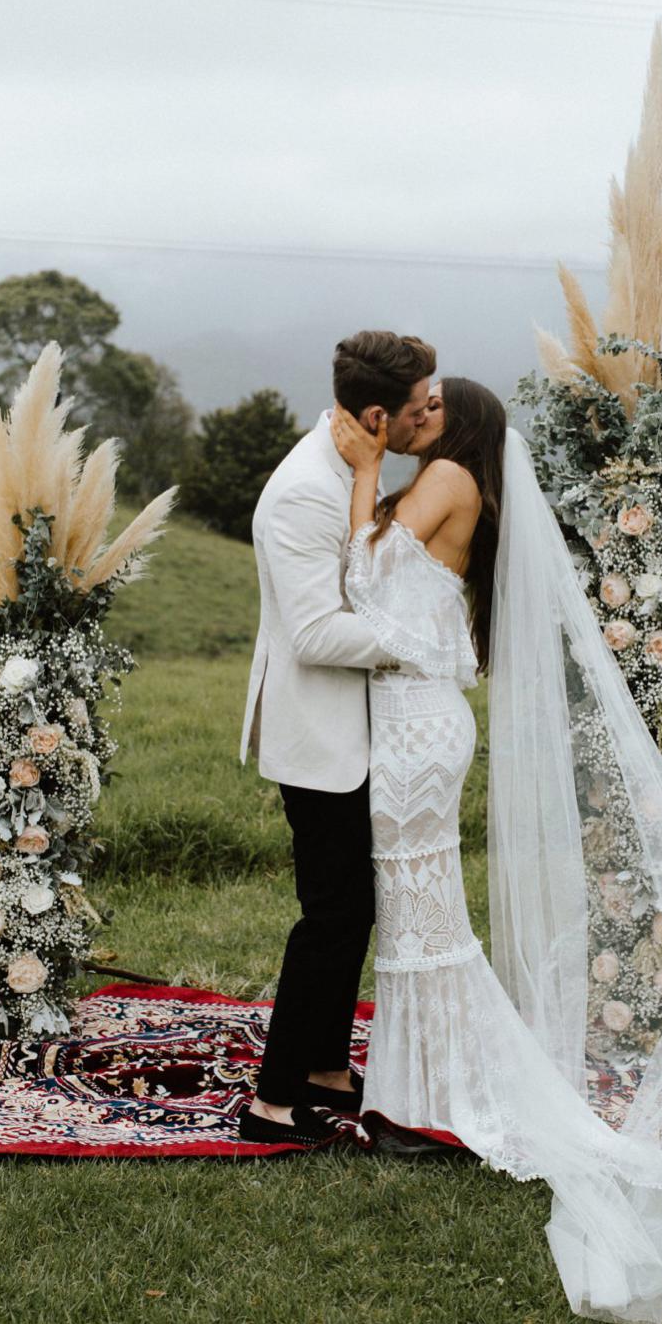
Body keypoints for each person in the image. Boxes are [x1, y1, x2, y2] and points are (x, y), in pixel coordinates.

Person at [326, 380, 662, 1324]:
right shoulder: (460, 482)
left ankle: (430, 1097)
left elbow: (362, 582)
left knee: (421, 919)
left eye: (437, 403)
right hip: (414, 722)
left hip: (412, 734)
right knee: (419, 915)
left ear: (466, 424)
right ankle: (417, 1086)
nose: (419, 413)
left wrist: (365, 475)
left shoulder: (444, 476)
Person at [237, 329, 435, 1144]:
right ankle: (272, 1102)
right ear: (381, 416)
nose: (434, 416)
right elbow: (316, 634)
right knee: (329, 914)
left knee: (354, 910)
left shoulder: (350, 468)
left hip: (352, 732)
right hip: (317, 735)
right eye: (424, 407)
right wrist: (422, 638)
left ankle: (324, 1065)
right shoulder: (300, 495)